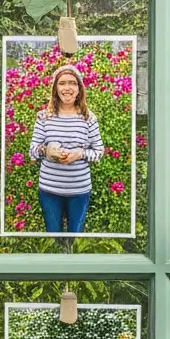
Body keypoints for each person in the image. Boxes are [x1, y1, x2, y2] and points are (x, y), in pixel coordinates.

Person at [28, 59, 104, 234]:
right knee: (53, 236)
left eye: (72, 83)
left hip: (79, 190)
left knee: (75, 237)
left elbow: (98, 151)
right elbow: (33, 150)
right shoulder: (43, 117)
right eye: (62, 83)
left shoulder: (88, 118)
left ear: (79, 88)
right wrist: (46, 151)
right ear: (55, 88)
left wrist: (80, 154)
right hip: (49, 190)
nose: (67, 88)